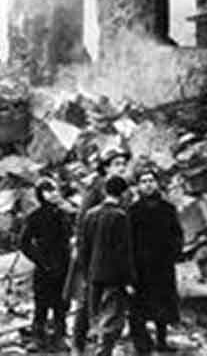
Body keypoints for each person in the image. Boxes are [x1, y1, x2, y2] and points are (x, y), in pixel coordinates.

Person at [68, 147, 131, 354]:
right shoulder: (96, 188)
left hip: (113, 250)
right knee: (87, 298)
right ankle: (77, 343)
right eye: (117, 164)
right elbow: (82, 218)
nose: (121, 168)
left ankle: (102, 340)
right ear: (106, 168)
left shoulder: (123, 190)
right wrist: (80, 247)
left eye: (123, 164)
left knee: (110, 300)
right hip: (94, 250)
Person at [78, 174, 138, 356]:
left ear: (105, 191)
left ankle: (97, 347)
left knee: (96, 316)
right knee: (112, 321)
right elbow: (124, 251)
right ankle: (103, 352)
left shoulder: (90, 214)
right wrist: (129, 280)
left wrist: (86, 272)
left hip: (93, 274)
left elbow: (83, 248)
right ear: (123, 193)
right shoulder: (120, 216)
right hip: (114, 277)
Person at [128, 167, 184, 353]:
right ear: (138, 186)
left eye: (151, 180)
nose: (148, 184)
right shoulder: (133, 211)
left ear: (157, 183)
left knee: (164, 305)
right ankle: (143, 344)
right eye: (143, 181)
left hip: (163, 265)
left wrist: (175, 252)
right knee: (141, 306)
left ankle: (162, 341)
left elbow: (177, 233)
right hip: (142, 266)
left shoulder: (168, 209)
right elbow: (128, 239)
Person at [18, 177, 72, 351]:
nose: (53, 194)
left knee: (60, 304)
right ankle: (38, 337)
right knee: (41, 303)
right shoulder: (35, 217)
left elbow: (70, 236)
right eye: (48, 191)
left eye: (54, 190)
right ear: (41, 194)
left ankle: (60, 337)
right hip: (44, 265)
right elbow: (24, 242)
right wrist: (40, 260)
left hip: (63, 263)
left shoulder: (63, 214)